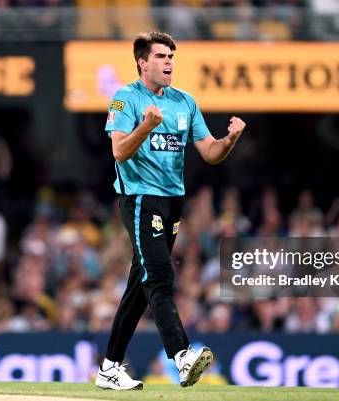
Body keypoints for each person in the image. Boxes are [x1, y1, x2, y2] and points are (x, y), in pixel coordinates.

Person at [95, 31, 246, 391]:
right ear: (142, 62)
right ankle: (181, 355)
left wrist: (230, 140)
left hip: (172, 202)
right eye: (161, 56)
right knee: (160, 275)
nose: (169, 63)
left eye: (172, 57)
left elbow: (210, 153)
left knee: (140, 284)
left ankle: (110, 367)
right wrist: (146, 126)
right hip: (140, 200)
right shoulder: (124, 99)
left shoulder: (184, 102)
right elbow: (119, 152)